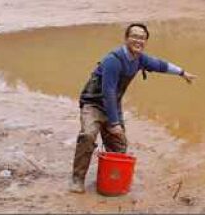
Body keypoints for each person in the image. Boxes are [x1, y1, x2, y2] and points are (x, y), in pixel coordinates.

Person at [69, 23, 197, 193]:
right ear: (126, 39)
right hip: (93, 104)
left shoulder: (140, 59)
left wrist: (182, 73)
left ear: (145, 41)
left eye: (142, 38)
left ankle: (109, 177)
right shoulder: (113, 60)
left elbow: (160, 65)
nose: (138, 40)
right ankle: (77, 179)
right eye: (135, 36)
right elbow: (108, 91)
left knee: (120, 147)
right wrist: (114, 123)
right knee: (88, 135)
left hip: (113, 105)